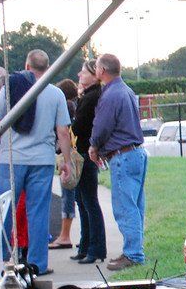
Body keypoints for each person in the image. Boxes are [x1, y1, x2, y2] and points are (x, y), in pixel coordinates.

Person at [0, 50, 73, 275]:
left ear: (27, 66)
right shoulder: (56, 94)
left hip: (10, 159)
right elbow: (63, 132)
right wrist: (66, 161)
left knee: (3, 211)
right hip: (42, 160)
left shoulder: (11, 88)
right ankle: (37, 265)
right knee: (38, 213)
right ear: (48, 68)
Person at [88, 53, 147, 271]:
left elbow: (102, 126)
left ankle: (133, 254)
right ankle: (134, 250)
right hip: (136, 153)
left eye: (96, 67)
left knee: (125, 207)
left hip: (122, 155)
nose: (95, 70)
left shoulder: (111, 94)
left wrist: (94, 146)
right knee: (136, 205)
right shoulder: (126, 91)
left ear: (102, 70)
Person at [70, 59, 107, 264]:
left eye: (83, 72)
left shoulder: (92, 97)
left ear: (94, 75)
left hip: (85, 153)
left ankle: (95, 248)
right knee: (83, 201)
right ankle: (86, 246)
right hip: (83, 152)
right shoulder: (89, 96)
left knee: (88, 201)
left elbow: (79, 126)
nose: (79, 75)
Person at [49, 78, 79, 249]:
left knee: (67, 196)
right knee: (79, 198)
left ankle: (65, 235)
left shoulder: (65, 107)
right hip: (77, 155)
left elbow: (63, 132)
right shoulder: (77, 106)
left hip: (67, 155)